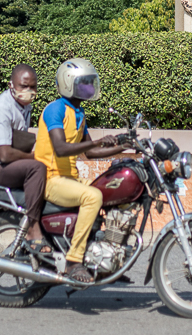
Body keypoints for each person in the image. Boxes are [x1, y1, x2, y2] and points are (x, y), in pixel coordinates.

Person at [34, 58, 126, 283]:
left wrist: (123, 147)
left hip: (70, 179)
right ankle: (75, 261)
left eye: (90, 82)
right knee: (92, 196)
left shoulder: (79, 113)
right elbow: (61, 148)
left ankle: (104, 259)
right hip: (50, 178)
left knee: (109, 190)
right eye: (84, 82)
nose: (89, 87)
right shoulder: (54, 109)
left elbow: (91, 153)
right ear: (68, 83)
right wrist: (97, 143)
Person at [0, 64, 49, 253]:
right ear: (11, 85)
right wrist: (35, 156)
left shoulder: (25, 106)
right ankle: (33, 229)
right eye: (24, 86)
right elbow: (5, 154)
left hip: (9, 165)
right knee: (37, 167)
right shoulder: (1, 109)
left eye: (33, 87)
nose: (29, 91)